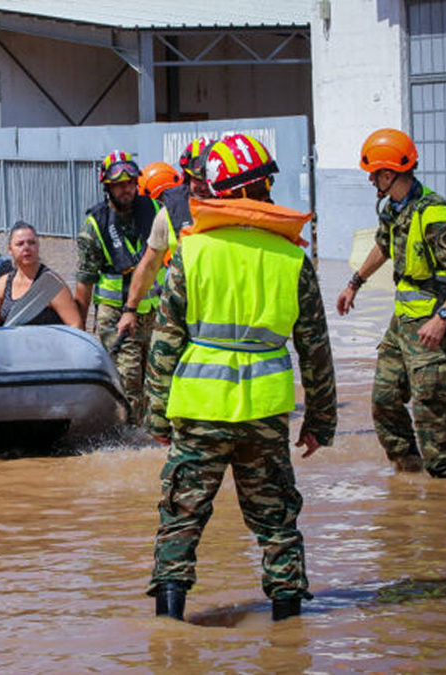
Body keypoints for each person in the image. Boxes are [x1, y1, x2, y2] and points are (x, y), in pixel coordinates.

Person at [145, 133, 337, 622]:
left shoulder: (192, 254)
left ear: (217, 192)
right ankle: (289, 637)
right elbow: (315, 350)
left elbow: (165, 342)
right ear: (261, 187)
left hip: (198, 410)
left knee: (181, 519)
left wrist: (156, 414)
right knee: (276, 523)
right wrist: (321, 420)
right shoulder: (293, 259)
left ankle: (170, 635)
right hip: (265, 415)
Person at [336, 128, 446, 478]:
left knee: (430, 409)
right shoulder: (394, 209)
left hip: (430, 326)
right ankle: (407, 471)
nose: (371, 180)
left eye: (374, 174)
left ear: (389, 174)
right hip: (401, 323)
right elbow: (384, 246)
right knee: (384, 399)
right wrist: (354, 283)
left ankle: (445, 490)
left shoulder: (434, 215)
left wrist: (443, 318)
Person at [74, 150, 161, 422]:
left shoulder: (155, 211)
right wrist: (79, 329)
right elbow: (84, 281)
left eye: (131, 183)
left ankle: (154, 433)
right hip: (115, 316)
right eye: (119, 185)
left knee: (158, 380)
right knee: (128, 379)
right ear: (107, 187)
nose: (126, 190)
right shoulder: (94, 226)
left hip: (154, 312)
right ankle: (129, 435)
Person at [116, 143, 212, 346]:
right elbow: (150, 264)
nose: (203, 186)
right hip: (181, 315)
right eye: (197, 179)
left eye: (208, 179)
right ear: (186, 177)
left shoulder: (237, 211)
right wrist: (130, 309)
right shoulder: (169, 213)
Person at [0, 222, 83, 329]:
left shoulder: (51, 285)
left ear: (38, 246)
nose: (26, 248)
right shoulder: (3, 284)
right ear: (10, 250)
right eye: (20, 244)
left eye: (31, 243)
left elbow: (76, 325)